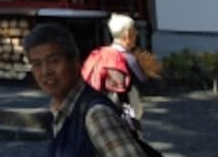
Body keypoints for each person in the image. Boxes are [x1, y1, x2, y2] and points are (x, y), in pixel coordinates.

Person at [23, 22, 146, 156]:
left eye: (54, 61)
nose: (45, 71)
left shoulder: (96, 114)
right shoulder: (61, 111)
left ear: (75, 62)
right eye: (37, 64)